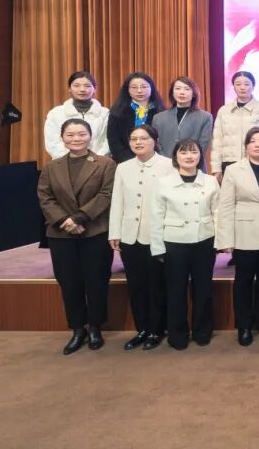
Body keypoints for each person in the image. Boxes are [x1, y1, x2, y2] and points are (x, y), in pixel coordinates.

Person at [37, 118, 117, 355]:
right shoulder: (51, 167)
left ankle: (95, 327)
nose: (76, 139)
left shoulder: (105, 164)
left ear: (90, 136)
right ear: (62, 138)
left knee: (96, 281)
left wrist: (80, 218)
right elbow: (45, 197)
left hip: (95, 230)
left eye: (81, 134)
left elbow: (106, 194)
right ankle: (77, 329)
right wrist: (65, 221)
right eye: (70, 135)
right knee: (69, 282)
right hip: (61, 234)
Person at [108, 125, 173, 351]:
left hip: (157, 235)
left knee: (156, 284)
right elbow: (117, 200)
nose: (138, 142)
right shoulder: (123, 167)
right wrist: (115, 232)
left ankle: (157, 329)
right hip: (130, 235)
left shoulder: (168, 165)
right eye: (133, 139)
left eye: (143, 138)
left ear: (155, 140)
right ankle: (142, 329)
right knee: (136, 285)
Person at [150, 138, 219, 350]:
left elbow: (217, 213)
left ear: (200, 155)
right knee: (175, 291)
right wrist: (157, 247)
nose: (189, 156)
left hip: (204, 240)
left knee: (203, 290)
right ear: (175, 156)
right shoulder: (163, 182)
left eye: (194, 152)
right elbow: (156, 216)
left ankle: (202, 331)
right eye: (183, 152)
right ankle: (177, 334)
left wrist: (220, 241)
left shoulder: (210, 181)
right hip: (175, 242)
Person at [216, 128, 259, 346]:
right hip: (244, 233)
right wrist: (225, 239)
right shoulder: (234, 170)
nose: (258, 145)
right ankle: (243, 325)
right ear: (246, 146)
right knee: (243, 281)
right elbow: (225, 205)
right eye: (253, 141)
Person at [211, 71, 259, 182]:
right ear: (233, 86)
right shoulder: (224, 110)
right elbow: (217, 141)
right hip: (229, 162)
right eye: (238, 84)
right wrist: (216, 168)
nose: (242, 87)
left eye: (247, 84)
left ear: (253, 86)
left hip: (254, 161)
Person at [44, 71, 109, 158]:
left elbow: (107, 142)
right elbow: (52, 142)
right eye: (76, 86)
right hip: (64, 162)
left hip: (98, 162)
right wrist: (69, 160)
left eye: (87, 86)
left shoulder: (105, 113)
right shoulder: (56, 113)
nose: (82, 89)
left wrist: (95, 160)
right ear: (69, 88)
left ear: (95, 89)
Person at [152, 76, 212, 169]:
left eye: (187, 89)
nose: (182, 92)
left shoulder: (205, 117)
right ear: (172, 93)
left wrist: (187, 160)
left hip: (193, 167)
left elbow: (202, 146)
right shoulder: (158, 118)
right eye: (178, 88)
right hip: (164, 167)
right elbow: (156, 144)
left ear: (194, 93)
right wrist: (168, 162)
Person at [107, 72, 164, 162]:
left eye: (144, 87)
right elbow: (113, 141)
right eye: (134, 87)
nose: (139, 91)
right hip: (124, 161)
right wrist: (129, 161)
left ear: (151, 88)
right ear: (127, 90)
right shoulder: (117, 112)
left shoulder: (161, 112)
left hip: (156, 161)